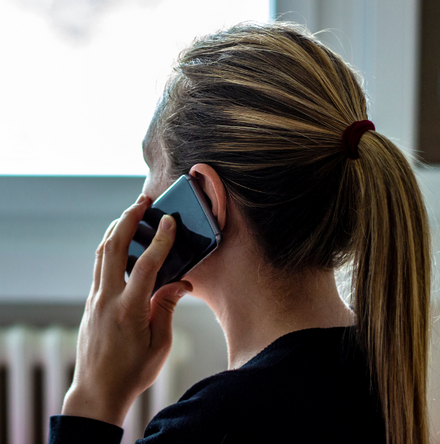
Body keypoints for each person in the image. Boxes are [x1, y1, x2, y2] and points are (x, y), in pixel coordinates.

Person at [49, 22, 431, 444]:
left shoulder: (222, 423)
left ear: (207, 201)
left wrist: (92, 396)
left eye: (150, 166)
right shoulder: (375, 371)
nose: (142, 197)